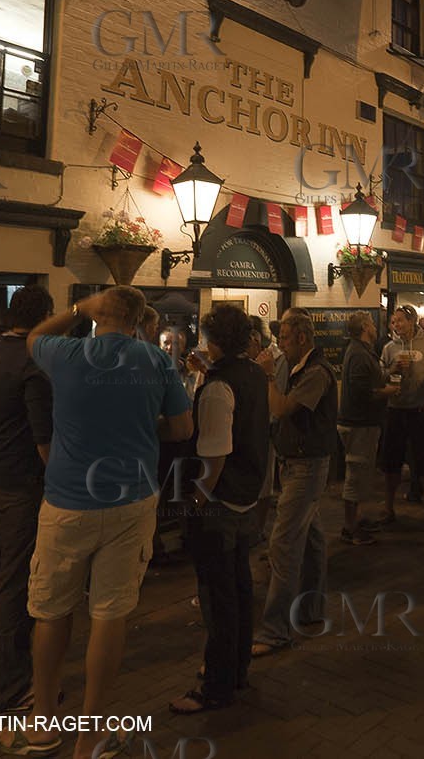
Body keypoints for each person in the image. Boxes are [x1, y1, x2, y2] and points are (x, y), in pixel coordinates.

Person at [0, 287, 193, 759]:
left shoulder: (66, 352)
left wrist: (77, 310)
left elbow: (33, 338)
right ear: (137, 319)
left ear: (99, 313)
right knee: (110, 614)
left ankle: (43, 722)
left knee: (51, 611)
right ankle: (91, 736)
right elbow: (183, 429)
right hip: (132, 500)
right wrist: (147, 427)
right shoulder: (156, 361)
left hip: (68, 501)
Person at [170, 305, 270, 714]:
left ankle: (216, 685)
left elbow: (214, 454)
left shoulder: (218, 387)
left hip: (221, 502)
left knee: (217, 596)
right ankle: (236, 669)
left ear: (214, 338)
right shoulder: (253, 374)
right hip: (247, 497)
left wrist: (197, 498)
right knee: (240, 587)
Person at [0, 285, 53, 715]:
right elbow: (43, 444)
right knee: (13, 584)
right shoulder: (35, 364)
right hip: (18, 487)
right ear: (46, 318)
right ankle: (11, 689)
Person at [252, 311, 340, 656]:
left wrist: (269, 378)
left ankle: (275, 630)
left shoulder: (317, 372)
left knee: (284, 543)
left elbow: (283, 408)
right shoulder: (302, 367)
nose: (282, 344)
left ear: (302, 338)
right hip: (297, 463)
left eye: (286, 338)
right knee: (314, 538)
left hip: (307, 467)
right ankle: (312, 608)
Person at [379, 306, 424, 526]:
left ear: (413, 322)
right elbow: (378, 375)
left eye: (401, 321)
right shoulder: (389, 348)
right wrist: (392, 369)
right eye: (394, 322)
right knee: (391, 463)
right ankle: (388, 508)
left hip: (420, 411)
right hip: (395, 411)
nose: (396, 325)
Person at [337, 312, 396, 545]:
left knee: (360, 474)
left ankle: (358, 518)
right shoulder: (360, 354)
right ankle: (350, 528)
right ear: (364, 327)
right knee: (355, 475)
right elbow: (365, 393)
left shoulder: (361, 351)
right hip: (359, 424)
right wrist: (387, 392)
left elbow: (373, 379)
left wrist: (389, 373)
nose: (375, 326)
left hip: (362, 423)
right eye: (371, 323)